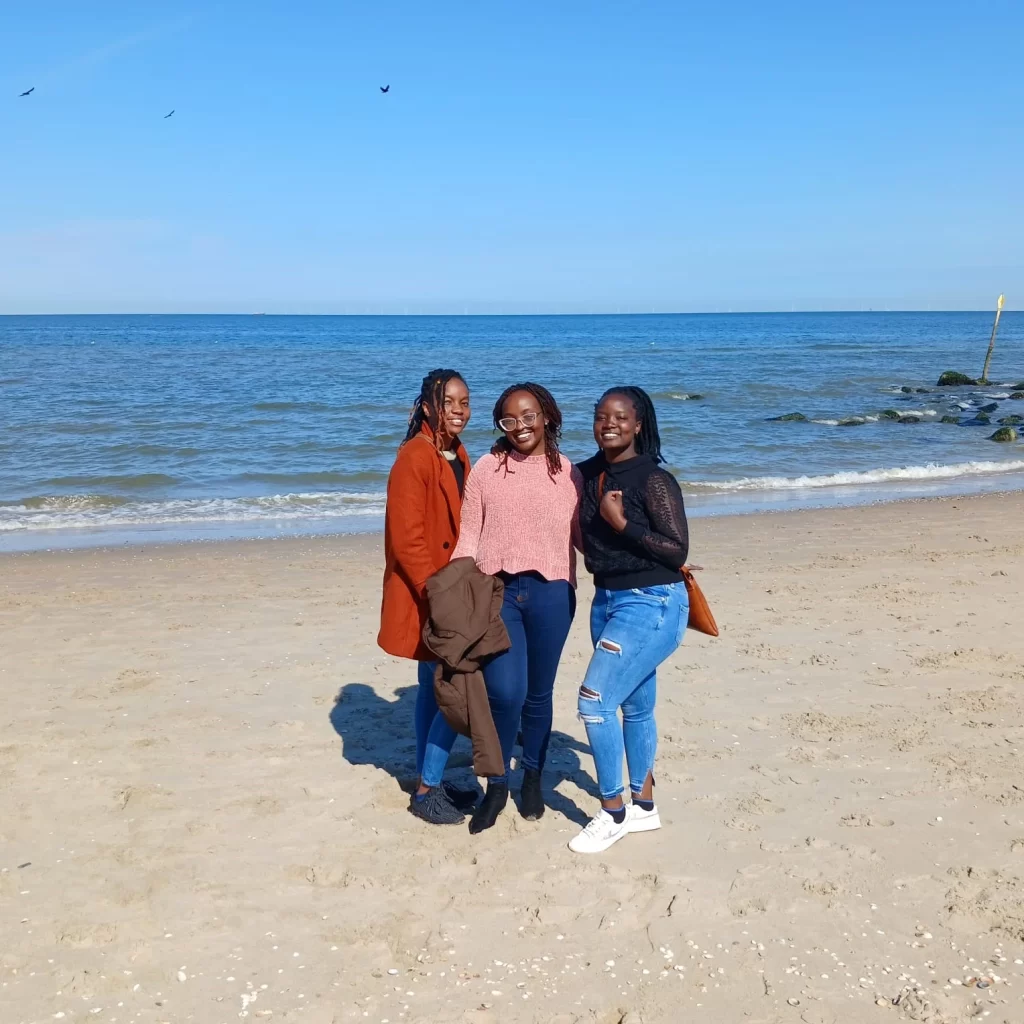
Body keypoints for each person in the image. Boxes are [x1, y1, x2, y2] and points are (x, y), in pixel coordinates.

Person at [452, 382, 582, 833]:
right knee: (503, 694)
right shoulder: (488, 469)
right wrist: (452, 587)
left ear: (547, 416)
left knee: (538, 695)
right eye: (510, 420)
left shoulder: (569, 473)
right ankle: (496, 784)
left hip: (552, 595)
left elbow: (585, 541)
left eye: (529, 416)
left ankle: (532, 776)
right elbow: (469, 533)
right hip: (499, 593)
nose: (520, 426)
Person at [569, 386, 690, 854]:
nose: (609, 424)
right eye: (601, 416)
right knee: (636, 707)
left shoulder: (653, 480)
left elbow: (677, 549)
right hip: (606, 601)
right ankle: (644, 806)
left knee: (593, 701)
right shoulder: (586, 473)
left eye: (620, 417)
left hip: (652, 602)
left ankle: (612, 810)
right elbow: (547, 475)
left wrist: (622, 525)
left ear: (638, 424)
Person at [377, 369, 478, 825]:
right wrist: (435, 595)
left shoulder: (458, 453)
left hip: (455, 584)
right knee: (451, 688)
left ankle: (426, 774)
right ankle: (427, 789)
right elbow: (407, 539)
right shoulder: (414, 458)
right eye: (449, 401)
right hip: (433, 592)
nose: (458, 410)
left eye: (465, 402)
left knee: (429, 687)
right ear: (426, 406)